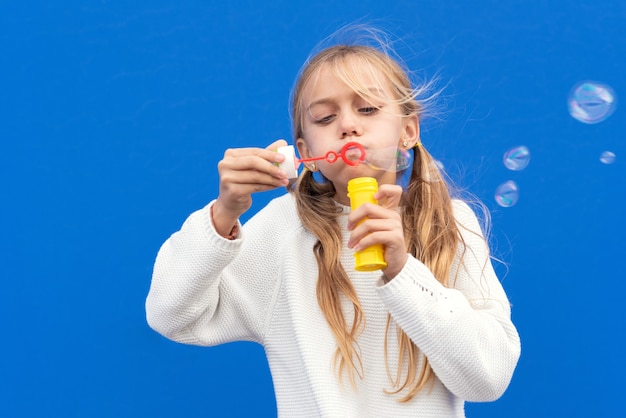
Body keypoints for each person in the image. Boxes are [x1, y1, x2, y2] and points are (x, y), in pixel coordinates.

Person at [145, 26, 521, 417]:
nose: (347, 125)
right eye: (325, 117)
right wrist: (223, 214)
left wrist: (402, 271)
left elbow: (489, 378)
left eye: (368, 109)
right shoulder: (284, 231)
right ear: (305, 152)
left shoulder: (449, 223)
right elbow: (170, 316)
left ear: (408, 131)